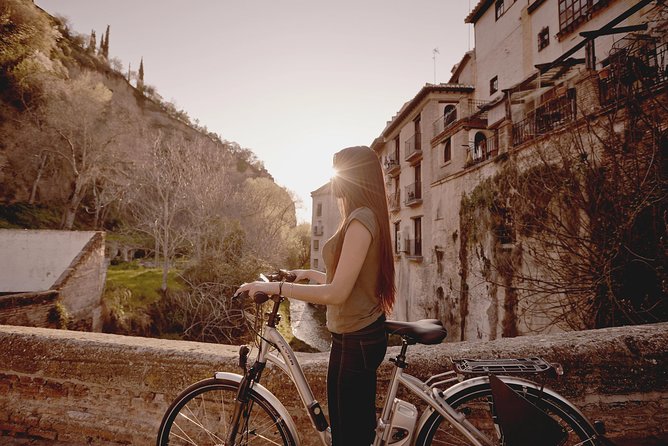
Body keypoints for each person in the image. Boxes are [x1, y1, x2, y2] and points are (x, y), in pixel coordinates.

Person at [236, 145, 396, 446]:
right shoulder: (362, 215)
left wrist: (276, 288)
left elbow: (337, 293)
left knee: (350, 437)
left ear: (353, 175)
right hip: (353, 335)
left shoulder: (361, 220)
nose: (334, 179)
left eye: (338, 170)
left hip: (356, 339)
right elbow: (351, 283)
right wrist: (307, 274)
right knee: (349, 430)